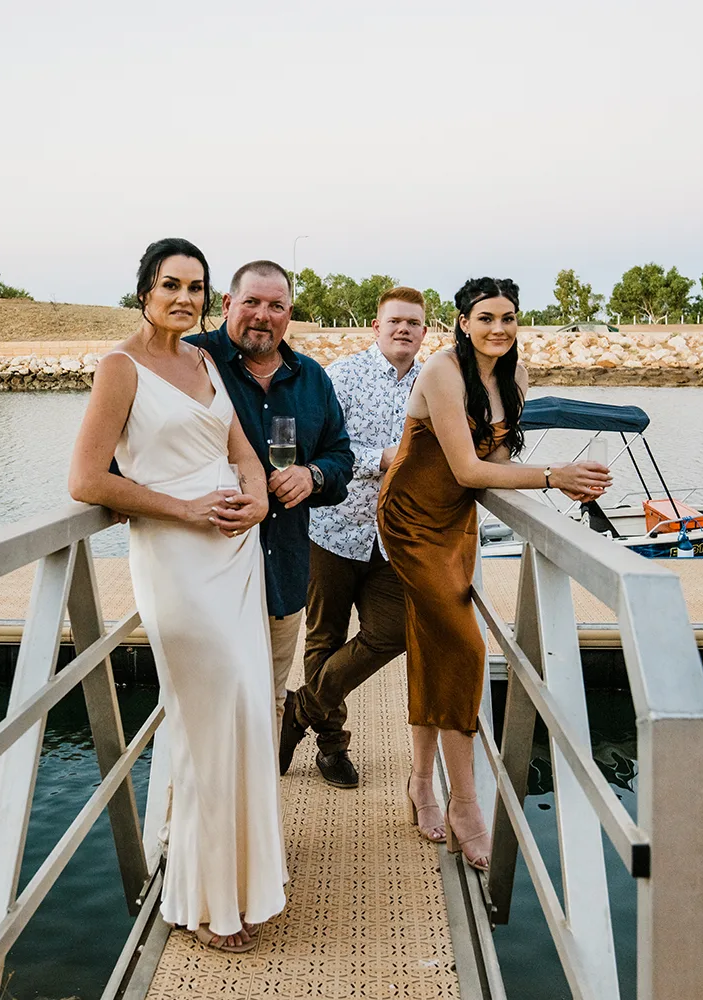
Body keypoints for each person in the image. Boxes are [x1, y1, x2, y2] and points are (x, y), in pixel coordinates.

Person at [68, 238, 284, 953]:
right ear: (143, 291)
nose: (184, 298)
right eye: (171, 285)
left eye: (196, 286)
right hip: (176, 560)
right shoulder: (119, 368)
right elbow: (87, 482)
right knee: (206, 717)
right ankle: (205, 900)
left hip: (236, 556)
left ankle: (242, 879)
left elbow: (243, 456)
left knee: (247, 712)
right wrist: (185, 509)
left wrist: (254, 503)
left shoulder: (204, 361)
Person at [378, 277, 611, 862]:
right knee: (465, 648)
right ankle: (465, 802)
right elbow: (466, 467)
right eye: (487, 318)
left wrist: (547, 491)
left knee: (434, 647)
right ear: (463, 322)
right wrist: (556, 476)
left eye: (509, 318)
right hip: (409, 518)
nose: (499, 329)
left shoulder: (515, 376)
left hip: (457, 522)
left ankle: (421, 783)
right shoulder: (441, 373)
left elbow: (499, 460)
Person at [185, 261, 353, 732]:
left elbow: (341, 455)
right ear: (226, 304)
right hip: (207, 573)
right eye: (252, 302)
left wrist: (313, 475)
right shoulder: (191, 361)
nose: (263, 315)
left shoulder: (312, 378)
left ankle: (261, 807)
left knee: (269, 705)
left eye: (276, 305)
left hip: (282, 574)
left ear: (289, 313)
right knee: (204, 710)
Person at [281, 286, 427, 790]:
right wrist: (379, 459)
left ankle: (296, 711)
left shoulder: (433, 385)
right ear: (376, 327)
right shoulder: (340, 376)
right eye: (395, 322)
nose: (404, 329)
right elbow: (318, 449)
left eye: (413, 322)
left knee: (393, 632)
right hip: (332, 529)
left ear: (425, 331)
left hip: (396, 537)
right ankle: (332, 748)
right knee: (323, 640)